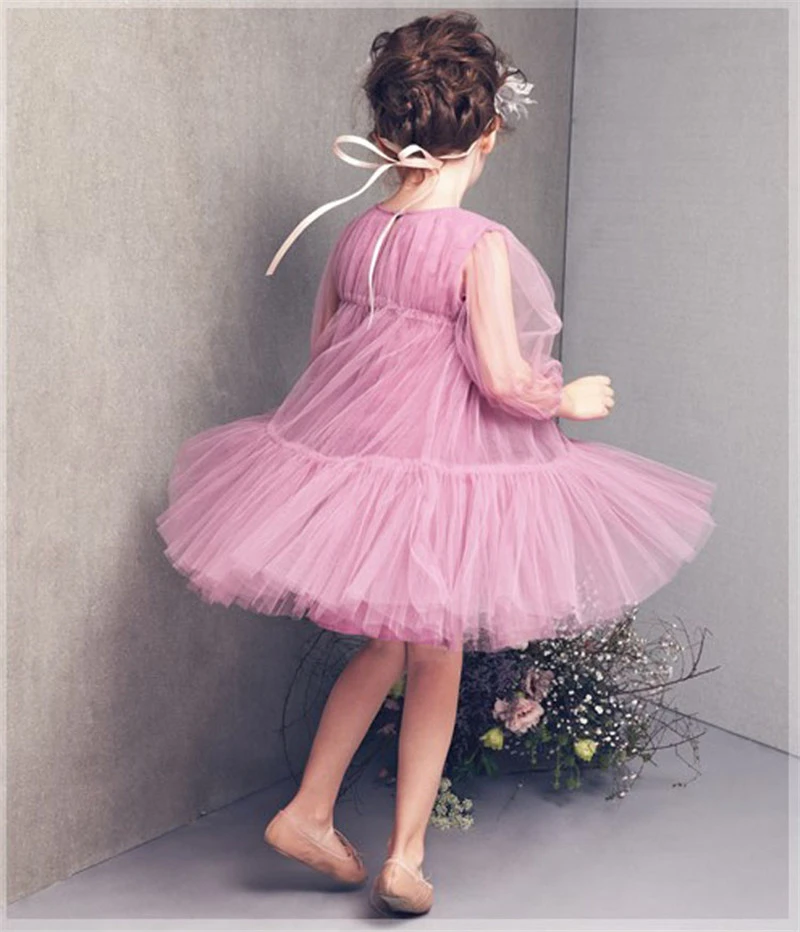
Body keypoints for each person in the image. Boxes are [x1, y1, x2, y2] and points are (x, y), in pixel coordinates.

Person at [155, 11, 717, 917]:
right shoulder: (475, 244)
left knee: (388, 644)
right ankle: (405, 856)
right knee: (436, 655)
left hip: (371, 468)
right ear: (489, 135)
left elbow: (325, 354)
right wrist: (565, 398)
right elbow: (502, 377)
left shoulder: (358, 235)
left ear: (385, 136)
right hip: (444, 476)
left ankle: (310, 809)